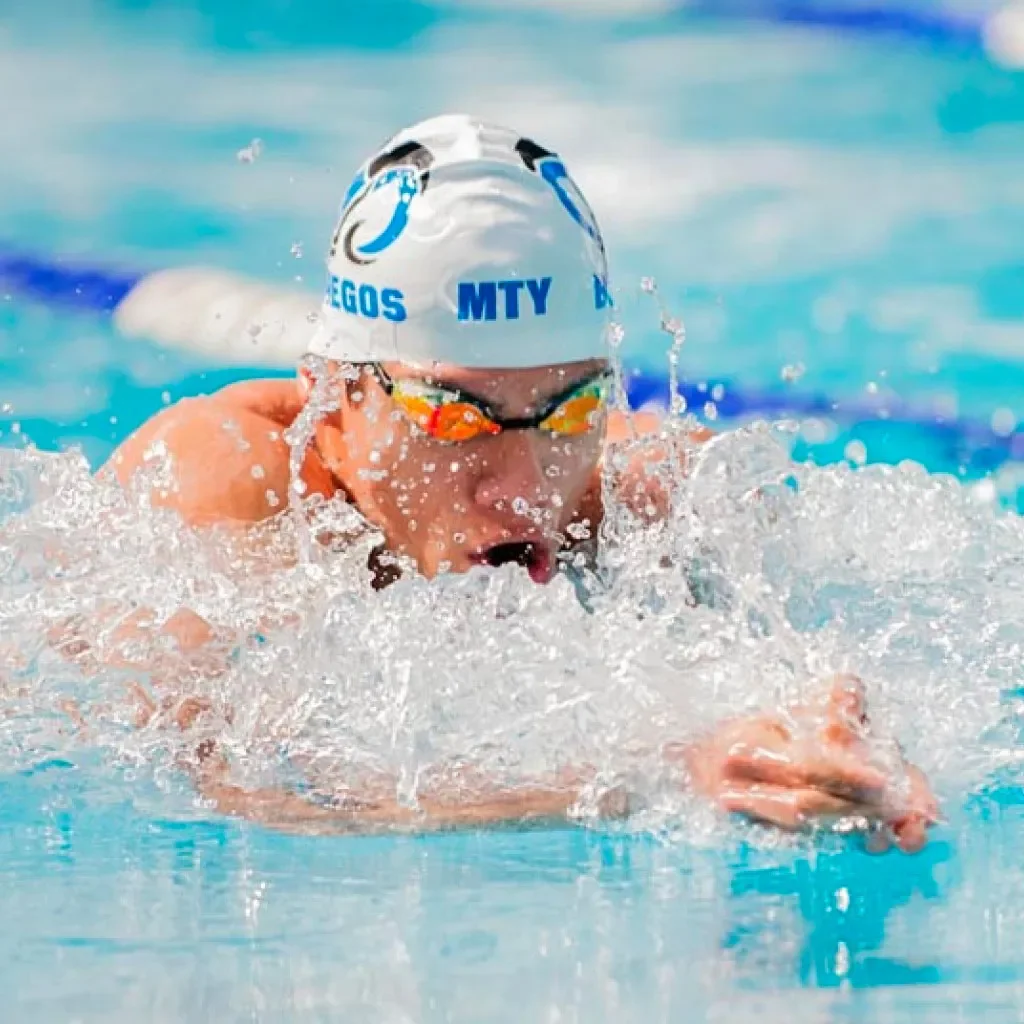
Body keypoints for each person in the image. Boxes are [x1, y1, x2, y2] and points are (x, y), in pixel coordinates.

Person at [104, 114, 937, 851]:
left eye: (570, 408)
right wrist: (658, 772)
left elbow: (827, 666)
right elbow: (243, 791)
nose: (523, 488)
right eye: (454, 415)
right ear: (336, 394)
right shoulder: (225, 481)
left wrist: (846, 756)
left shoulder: (647, 491)